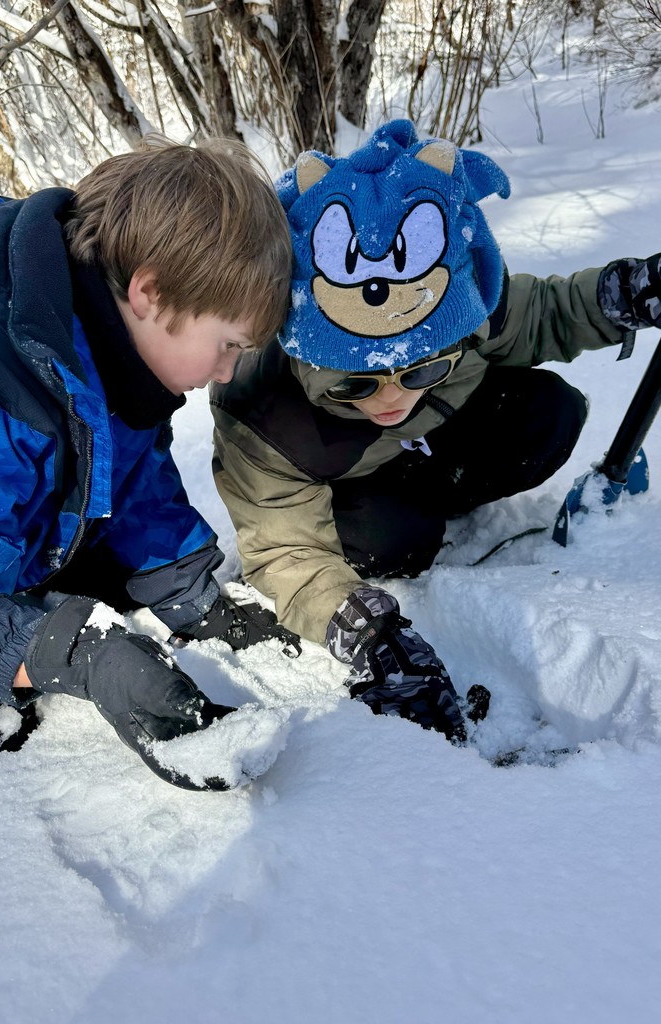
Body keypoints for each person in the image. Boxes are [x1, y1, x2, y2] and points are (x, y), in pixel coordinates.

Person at [209, 120, 661, 744]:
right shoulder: (262, 408)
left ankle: (436, 494)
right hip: (349, 489)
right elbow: (284, 550)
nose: (391, 396)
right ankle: (405, 522)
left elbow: (551, 311)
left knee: (548, 413)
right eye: (357, 383)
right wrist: (365, 630)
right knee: (395, 538)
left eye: (419, 370)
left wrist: (626, 292)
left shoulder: (458, 304)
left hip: (433, 447)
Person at [0, 135, 299, 783]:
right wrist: (71, 654)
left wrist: (194, 600)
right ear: (150, 292)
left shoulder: (93, 321)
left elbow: (128, 467)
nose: (225, 371)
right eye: (226, 344)